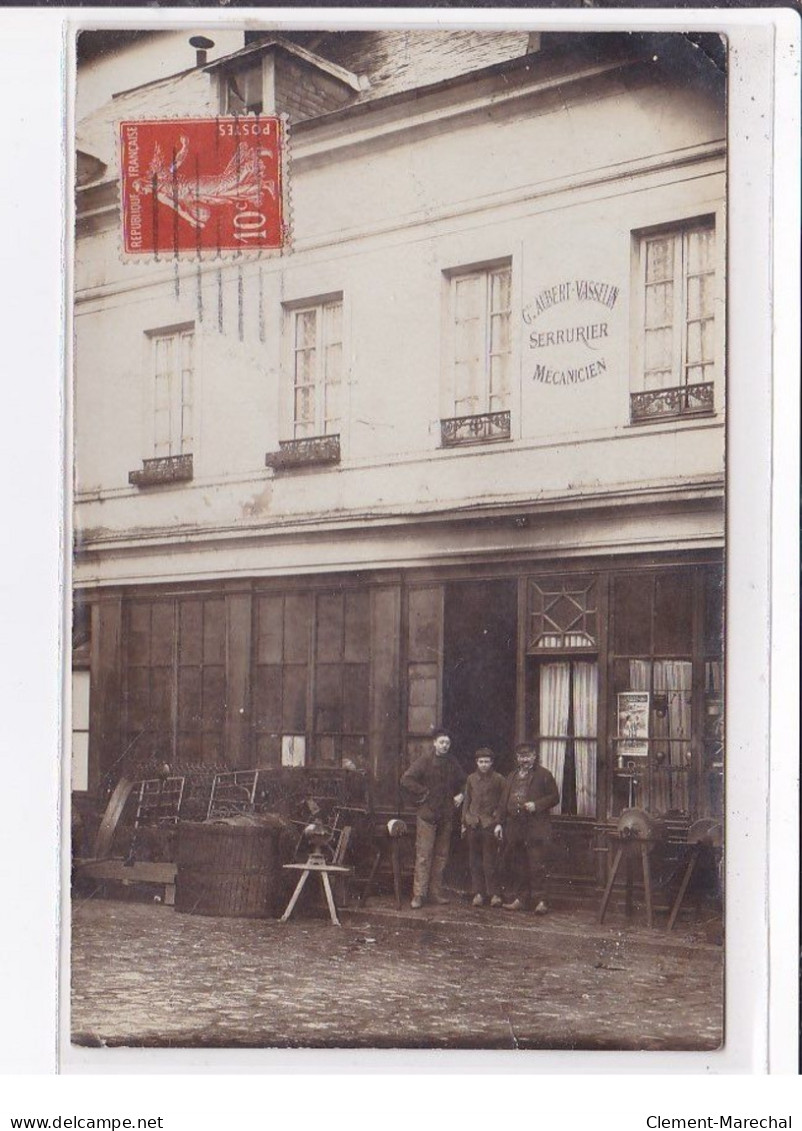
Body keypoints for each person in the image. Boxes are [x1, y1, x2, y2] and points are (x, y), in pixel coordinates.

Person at [401, 728, 465, 909]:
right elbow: (406, 779)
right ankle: (419, 895)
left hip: (446, 815)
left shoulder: (452, 762)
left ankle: (435, 893)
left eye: (447, 743)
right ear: (435, 743)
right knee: (424, 856)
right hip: (427, 814)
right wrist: (424, 793)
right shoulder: (425, 761)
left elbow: (464, 781)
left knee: (441, 856)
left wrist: (461, 794)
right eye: (442, 742)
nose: (445, 746)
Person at [496, 742, 560, 913]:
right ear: (517, 758)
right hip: (515, 828)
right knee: (518, 864)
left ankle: (541, 902)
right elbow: (503, 802)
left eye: (528, 756)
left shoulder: (544, 775)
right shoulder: (511, 776)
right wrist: (499, 824)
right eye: (521, 756)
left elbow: (555, 797)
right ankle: (521, 899)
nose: (524, 760)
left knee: (537, 864)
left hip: (535, 827)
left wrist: (537, 805)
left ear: (534, 756)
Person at [462, 748, 506, 908]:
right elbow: (467, 800)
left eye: (487, 761)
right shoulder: (471, 779)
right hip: (473, 823)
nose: (484, 765)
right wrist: (464, 822)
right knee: (474, 861)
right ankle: (478, 893)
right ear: (476, 762)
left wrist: (498, 820)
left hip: (489, 825)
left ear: (492, 762)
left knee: (490, 861)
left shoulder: (499, 779)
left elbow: (503, 802)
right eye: (481, 762)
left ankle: (494, 894)